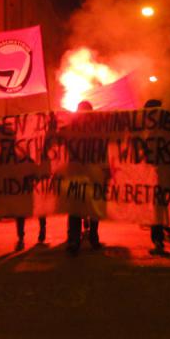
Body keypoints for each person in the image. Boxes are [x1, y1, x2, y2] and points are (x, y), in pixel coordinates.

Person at [66, 100, 102, 255]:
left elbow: (103, 148)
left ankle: (91, 236)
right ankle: (75, 238)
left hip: (92, 172)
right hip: (76, 172)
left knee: (93, 207)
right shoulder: (70, 128)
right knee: (75, 207)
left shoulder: (99, 130)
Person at [144, 99, 170, 255]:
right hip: (151, 175)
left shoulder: (168, 128)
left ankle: (168, 230)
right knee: (156, 208)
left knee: (166, 205)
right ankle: (158, 240)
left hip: (166, 173)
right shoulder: (143, 129)